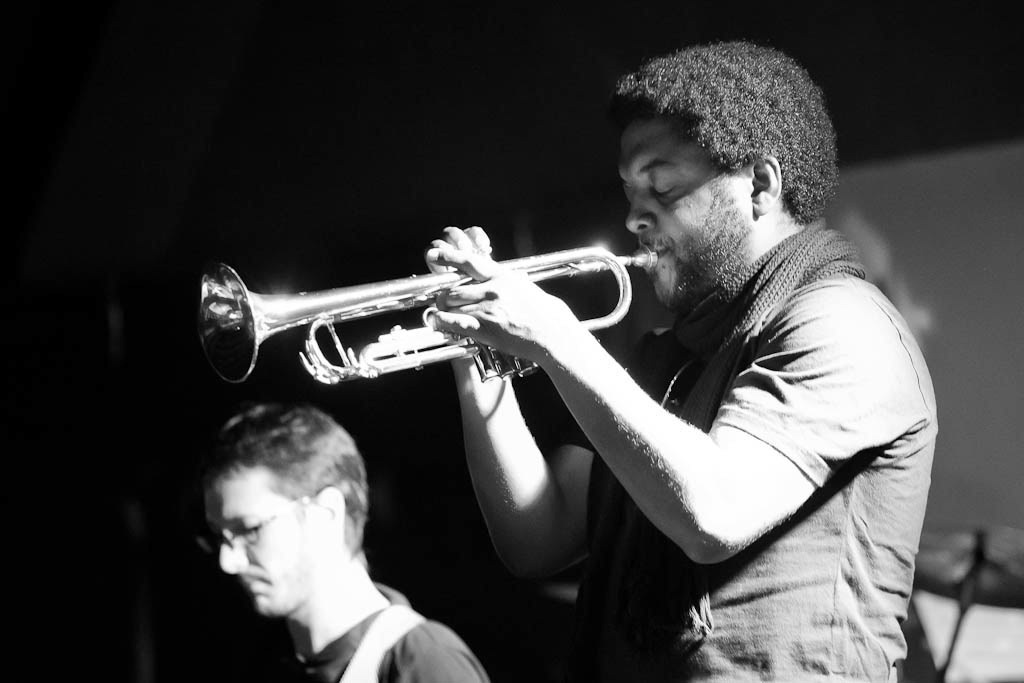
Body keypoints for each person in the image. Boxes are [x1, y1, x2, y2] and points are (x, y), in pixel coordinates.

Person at [423, 40, 937, 681]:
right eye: (629, 191)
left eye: (661, 186)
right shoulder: (667, 357)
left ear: (760, 185)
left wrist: (556, 336)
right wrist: (475, 354)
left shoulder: (845, 322)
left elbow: (714, 512)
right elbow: (537, 537)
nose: (634, 218)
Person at [197, 401, 492, 683]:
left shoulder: (424, 661)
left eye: (250, 529)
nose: (228, 561)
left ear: (326, 513)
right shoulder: (262, 663)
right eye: (220, 535)